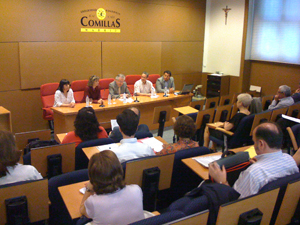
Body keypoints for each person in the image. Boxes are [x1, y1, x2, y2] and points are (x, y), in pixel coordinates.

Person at [209, 122, 299, 199]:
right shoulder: (290, 160)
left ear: (261, 144)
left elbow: (235, 204)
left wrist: (222, 181)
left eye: (254, 141)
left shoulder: (253, 173)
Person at [79, 150, 144, 225]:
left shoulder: (93, 202)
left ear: (92, 176)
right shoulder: (136, 189)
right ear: (119, 169)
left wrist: (89, 189)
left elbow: (82, 210)